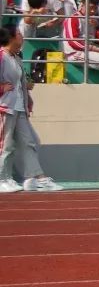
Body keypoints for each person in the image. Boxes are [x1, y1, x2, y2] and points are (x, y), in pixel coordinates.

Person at [0, 28, 63, 193]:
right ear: (10, 37)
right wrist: (1, 88)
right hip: (5, 107)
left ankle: (34, 178)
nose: (22, 37)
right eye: (19, 34)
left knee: (29, 142)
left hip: (18, 107)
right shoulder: (1, 56)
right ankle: (2, 178)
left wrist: (27, 97)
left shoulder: (16, 57)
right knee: (6, 144)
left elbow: (20, 82)